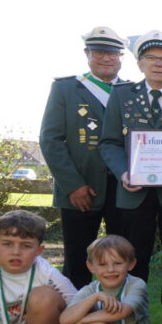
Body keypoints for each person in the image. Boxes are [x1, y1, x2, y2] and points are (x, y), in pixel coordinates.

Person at [99, 30, 162, 324]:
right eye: (151, 58)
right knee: (131, 255)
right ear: (140, 64)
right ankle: (130, 315)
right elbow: (109, 143)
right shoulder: (122, 96)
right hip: (133, 190)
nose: (158, 63)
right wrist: (123, 172)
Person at [39, 26, 128, 289]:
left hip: (123, 188)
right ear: (87, 54)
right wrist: (73, 185)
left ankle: (117, 309)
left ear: (120, 58)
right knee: (76, 261)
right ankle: (74, 310)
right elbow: (51, 140)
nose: (106, 58)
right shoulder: (66, 89)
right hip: (80, 187)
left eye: (113, 53)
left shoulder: (130, 91)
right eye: (99, 52)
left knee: (120, 257)